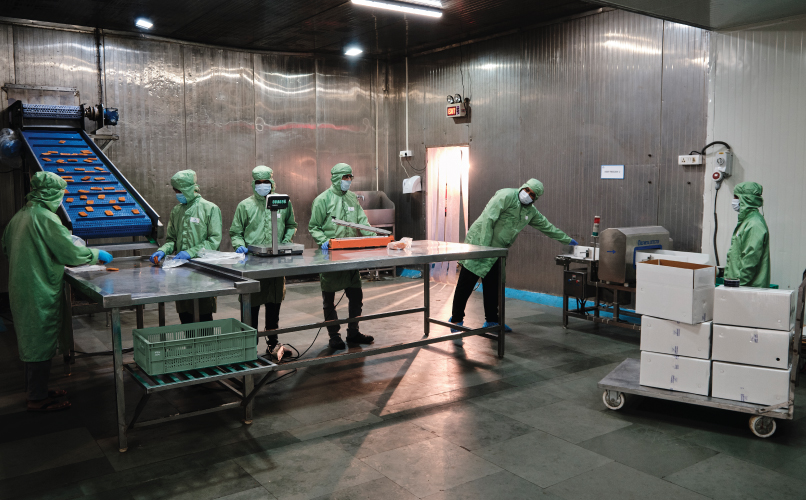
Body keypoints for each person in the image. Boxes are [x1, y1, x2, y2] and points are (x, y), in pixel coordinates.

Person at [2, 171, 113, 412]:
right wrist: (95, 254)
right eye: (61, 194)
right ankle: (37, 399)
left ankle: (37, 390)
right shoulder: (46, 218)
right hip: (38, 288)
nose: (62, 198)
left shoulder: (19, 217)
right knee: (39, 341)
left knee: (31, 339)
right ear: (51, 193)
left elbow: (7, 249)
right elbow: (69, 252)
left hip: (22, 285)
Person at [449, 179, 576, 337]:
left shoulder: (531, 212)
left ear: (535, 198)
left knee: (492, 286)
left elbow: (547, 227)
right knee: (466, 283)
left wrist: (567, 240)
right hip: (479, 243)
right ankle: (456, 320)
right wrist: (484, 248)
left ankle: (492, 320)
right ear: (523, 186)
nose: (527, 195)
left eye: (532, 194)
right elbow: (488, 219)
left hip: (498, 251)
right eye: (527, 190)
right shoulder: (506, 195)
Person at [230, 165, 298, 356]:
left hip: (276, 262)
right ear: (253, 183)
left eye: (265, 182)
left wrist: (286, 241)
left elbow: (291, 224)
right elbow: (236, 232)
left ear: (272, 182)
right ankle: (248, 347)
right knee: (251, 306)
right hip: (252, 263)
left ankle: (273, 343)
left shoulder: (283, 203)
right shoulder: (245, 205)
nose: (262, 185)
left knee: (274, 303)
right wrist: (239, 245)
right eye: (258, 182)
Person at [309, 163, 376, 350]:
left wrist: (375, 238)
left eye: (350, 177)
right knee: (329, 299)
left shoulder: (352, 198)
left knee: (356, 296)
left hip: (350, 255)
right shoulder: (322, 200)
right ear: (336, 178)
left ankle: (353, 332)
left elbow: (362, 222)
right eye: (345, 177)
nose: (348, 181)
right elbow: (314, 226)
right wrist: (323, 240)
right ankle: (334, 336)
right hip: (330, 256)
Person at [150, 170, 223, 323]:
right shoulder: (177, 211)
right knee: (185, 314)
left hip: (203, 270)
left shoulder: (210, 208)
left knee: (204, 315)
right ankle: (189, 340)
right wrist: (163, 250)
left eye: (179, 191)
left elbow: (214, 241)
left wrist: (190, 252)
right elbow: (172, 239)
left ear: (189, 188)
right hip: (181, 270)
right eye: (175, 191)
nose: (177, 194)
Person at [725, 181, 770, 288]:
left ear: (745, 199)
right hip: (740, 286)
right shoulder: (747, 221)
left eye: (736, 197)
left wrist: (737, 284)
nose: (734, 200)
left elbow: (750, 260)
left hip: (746, 288)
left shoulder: (754, 224)